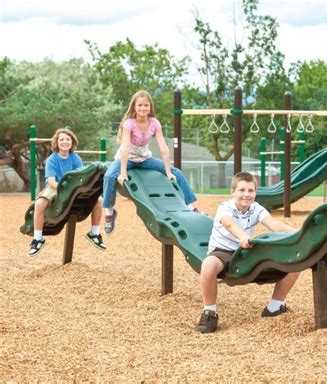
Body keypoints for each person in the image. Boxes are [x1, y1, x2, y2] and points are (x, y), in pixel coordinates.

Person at [195, 172, 300, 334]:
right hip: (222, 252)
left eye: (250, 191)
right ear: (233, 192)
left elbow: (274, 224)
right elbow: (229, 223)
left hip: (245, 252)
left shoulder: (256, 208)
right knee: (208, 265)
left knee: (298, 259)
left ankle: (274, 307)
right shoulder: (225, 207)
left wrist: (300, 234)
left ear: (255, 193)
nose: (246, 195)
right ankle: (209, 312)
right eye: (241, 190)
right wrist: (243, 236)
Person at [102, 90, 197, 234]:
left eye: (146, 105)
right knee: (109, 176)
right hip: (127, 159)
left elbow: (163, 147)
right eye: (139, 105)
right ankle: (109, 213)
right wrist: (122, 173)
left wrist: (168, 171)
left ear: (150, 107)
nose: (143, 108)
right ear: (134, 107)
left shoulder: (154, 123)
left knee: (177, 172)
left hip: (145, 158)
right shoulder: (129, 124)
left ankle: (190, 206)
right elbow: (125, 148)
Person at [28, 128, 106, 256]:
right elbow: (51, 181)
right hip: (55, 187)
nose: (65, 142)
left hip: (72, 187)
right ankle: (37, 239)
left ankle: (94, 233)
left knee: (98, 200)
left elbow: (80, 177)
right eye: (62, 139)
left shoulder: (75, 158)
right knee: (40, 204)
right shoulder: (52, 159)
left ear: (72, 142)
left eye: (68, 139)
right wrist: (63, 189)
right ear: (57, 143)